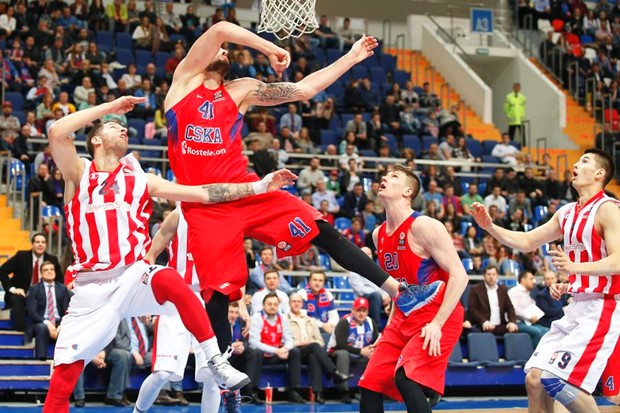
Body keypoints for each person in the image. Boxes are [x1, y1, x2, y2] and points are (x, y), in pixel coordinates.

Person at [164, 21, 437, 361]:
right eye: (219, 49)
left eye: (226, 51)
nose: (223, 51)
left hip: (249, 191)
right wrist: (271, 48)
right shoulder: (183, 83)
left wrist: (350, 58)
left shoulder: (241, 90)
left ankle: (399, 290)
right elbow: (220, 28)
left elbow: (303, 90)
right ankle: (223, 375)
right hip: (207, 204)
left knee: (322, 230)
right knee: (218, 296)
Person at [41, 95, 296, 412]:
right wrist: (110, 108)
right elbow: (56, 132)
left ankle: (215, 360)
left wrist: (257, 187)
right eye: (112, 127)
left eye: (123, 127)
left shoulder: (140, 178)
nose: (123, 129)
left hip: (132, 274)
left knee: (172, 281)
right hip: (91, 288)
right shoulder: (79, 173)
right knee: (61, 383)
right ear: (94, 140)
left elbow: (203, 194)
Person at [469, 148, 620, 413]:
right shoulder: (567, 213)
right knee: (535, 380)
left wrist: (575, 268)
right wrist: (490, 227)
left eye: (584, 161)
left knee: (557, 380)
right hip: (577, 306)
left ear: (599, 174)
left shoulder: (608, 210)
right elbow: (527, 241)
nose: (575, 164)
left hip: (603, 307)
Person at [358, 165, 468, 413]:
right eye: (384, 174)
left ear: (408, 191)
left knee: (406, 378)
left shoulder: (424, 225)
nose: (384, 177)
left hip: (439, 315)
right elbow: (398, 289)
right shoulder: (378, 235)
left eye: (393, 176)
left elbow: (460, 276)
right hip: (403, 319)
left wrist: (437, 324)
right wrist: (387, 330)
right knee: (370, 384)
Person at [288, 292, 349, 404]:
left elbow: (320, 341)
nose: (296, 304)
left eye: (299, 302)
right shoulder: (285, 319)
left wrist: (310, 343)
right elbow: (285, 340)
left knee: (314, 355)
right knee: (314, 347)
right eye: (294, 302)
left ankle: (318, 393)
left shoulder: (310, 320)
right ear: (289, 303)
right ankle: (334, 373)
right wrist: (299, 342)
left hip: (310, 350)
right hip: (294, 351)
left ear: (302, 304)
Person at [249, 292, 306, 403]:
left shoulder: (282, 318)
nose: (272, 306)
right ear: (263, 305)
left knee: (294, 352)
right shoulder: (257, 317)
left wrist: (284, 349)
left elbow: (289, 339)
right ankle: (252, 392)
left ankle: (294, 391)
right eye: (269, 304)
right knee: (255, 352)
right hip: (262, 356)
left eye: (275, 304)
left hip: (277, 355)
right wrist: (276, 350)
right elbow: (254, 342)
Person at [0, 233, 62, 332]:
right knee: (17, 299)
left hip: (43, 296)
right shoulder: (21, 256)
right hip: (22, 294)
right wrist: (13, 289)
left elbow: (59, 280)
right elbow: (2, 270)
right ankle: (21, 332)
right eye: (37, 242)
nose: (40, 244)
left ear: (46, 245)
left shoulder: (52, 259)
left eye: (43, 242)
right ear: (32, 244)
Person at [328, 296, 379, 403]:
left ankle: (372, 391)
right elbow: (340, 345)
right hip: (336, 354)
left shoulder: (370, 322)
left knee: (377, 356)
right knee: (343, 354)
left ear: (367, 312)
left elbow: (376, 341)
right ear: (352, 310)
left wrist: (371, 350)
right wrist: (361, 351)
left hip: (360, 355)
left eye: (364, 310)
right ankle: (344, 392)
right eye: (358, 310)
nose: (361, 313)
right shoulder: (344, 322)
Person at [25, 261, 71, 360]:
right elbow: (32, 311)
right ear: (41, 273)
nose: (49, 272)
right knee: (42, 327)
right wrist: (47, 323)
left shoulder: (62, 289)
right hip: (41, 321)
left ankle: (65, 360)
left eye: (51, 269)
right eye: (46, 270)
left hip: (59, 322)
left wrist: (61, 326)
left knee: (68, 329)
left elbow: (67, 311)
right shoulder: (34, 289)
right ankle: (41, 359)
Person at [468, 266, 519, 336]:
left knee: (515, 331)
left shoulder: (503, 289)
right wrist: (483, 321)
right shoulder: (476, 290)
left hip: (500, 325)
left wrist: (512, 322)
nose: (491, 277)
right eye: (488, 274)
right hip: (483, 325)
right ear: (484, 276)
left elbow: (510, 307)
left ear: (497, 275)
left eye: (493, 274)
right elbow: (472, 309)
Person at [507, 271, 549, 347]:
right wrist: (529, 317)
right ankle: (535, 356)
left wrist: (535, 316)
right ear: (523, 280)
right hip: (517, 322)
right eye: (531, 279)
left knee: (547, 331)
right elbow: (513, 309)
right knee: (537, 331)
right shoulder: (514, 291)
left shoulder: (527, 293)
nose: (533, 281)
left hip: (528, 322)